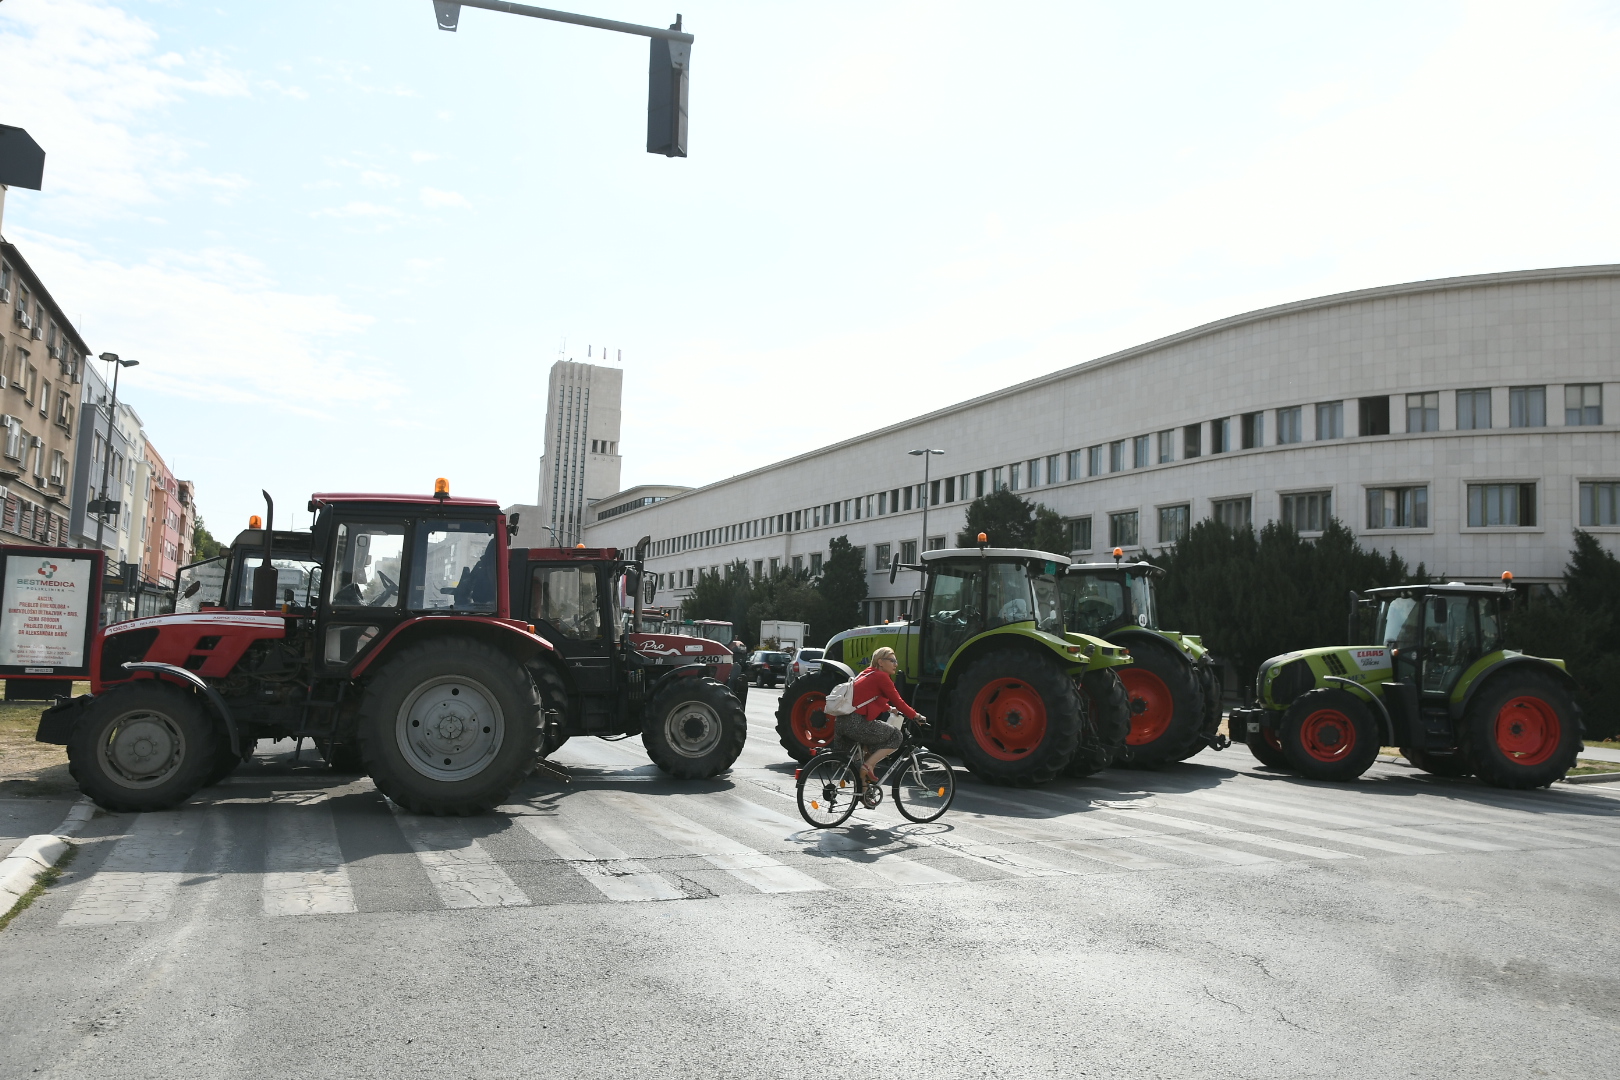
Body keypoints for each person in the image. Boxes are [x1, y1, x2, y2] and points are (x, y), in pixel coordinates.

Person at [837, 646, 924, 805]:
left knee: (862, 757)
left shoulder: (866, 673)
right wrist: (916, 716)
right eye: (892, 660)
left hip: (843, 723)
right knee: (896, 736)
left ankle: (864, 794)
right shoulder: (882, 677)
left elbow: (869, 697)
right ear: (880, 662)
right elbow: (899, 701)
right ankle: (869, 766)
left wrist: (889, 709)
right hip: (856, 723)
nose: (896, 664)